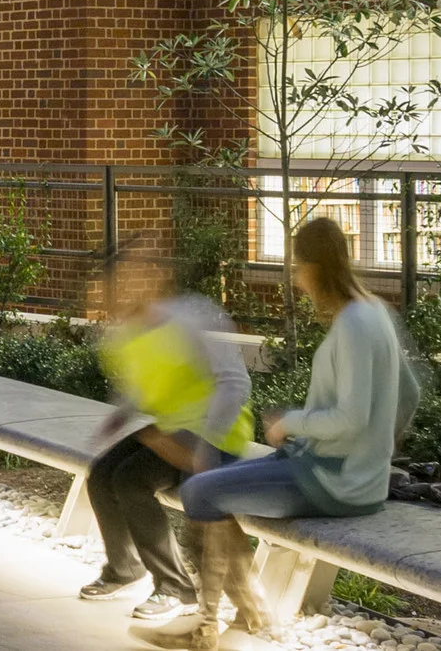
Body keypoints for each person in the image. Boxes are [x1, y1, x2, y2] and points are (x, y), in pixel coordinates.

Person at [140, 216, 424, 650]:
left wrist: (289, 424)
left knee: (199, 491)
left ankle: (206, 627)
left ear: (313, 267)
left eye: (297, 267)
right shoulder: (376, 312)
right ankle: (247, 610)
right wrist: (374, 454)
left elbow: (349, 418)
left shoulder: (352, 325)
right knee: (213, 485)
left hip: (333, 481)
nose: (295, 278)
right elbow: (410, 392)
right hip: (342, 472)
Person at [80, 246, 253, 625]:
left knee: (130, 480)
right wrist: (116, 418)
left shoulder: (193, 316)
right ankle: (124, 568)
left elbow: (235, 382)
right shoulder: (125, 333)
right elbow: (141, 389)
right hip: (170, 428)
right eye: (112, 286)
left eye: (125, 282)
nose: (117, 294)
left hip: (215, 430)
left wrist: (209, 445)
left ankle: (175, 587)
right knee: (101, 475)